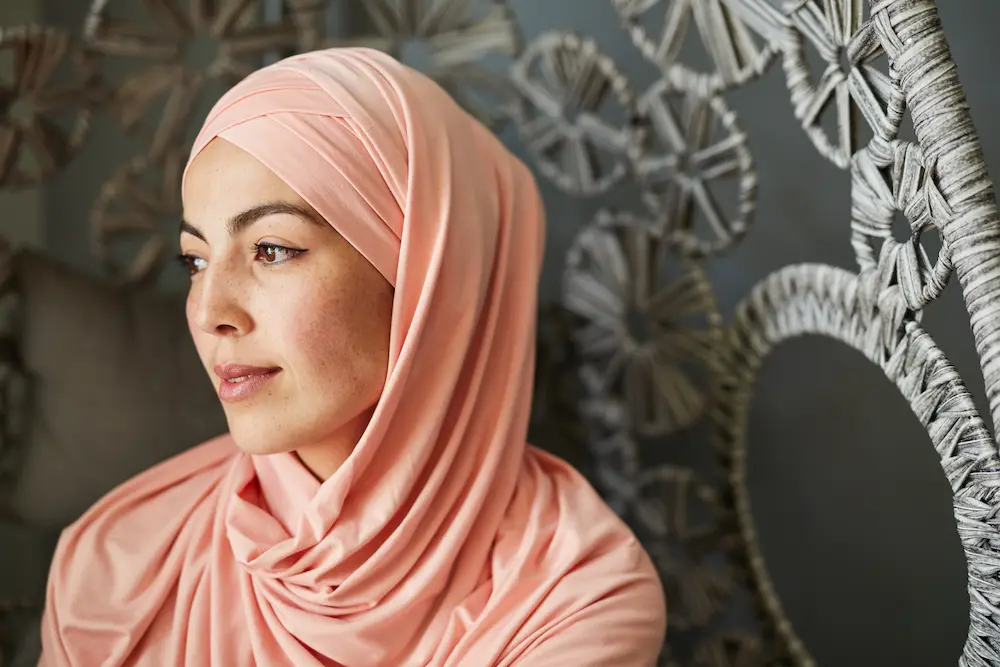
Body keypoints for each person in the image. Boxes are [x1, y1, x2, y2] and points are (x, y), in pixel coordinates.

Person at [37, 47, 666, 666]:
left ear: (427, 277)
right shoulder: (115, 572)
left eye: (272, 249)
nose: (207, 311)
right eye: (196, 260)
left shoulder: (575, 604)